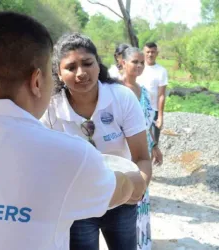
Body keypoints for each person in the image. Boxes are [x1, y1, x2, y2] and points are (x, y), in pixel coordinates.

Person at [0, 11, 145, 250]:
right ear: (37, 81)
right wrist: (134, 180)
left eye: (88, 64)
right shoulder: (69, 155)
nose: (81, 73)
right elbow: (126, 187)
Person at [41, 33, 152, 250]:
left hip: (121, 196)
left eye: (87, 63)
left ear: (98, 65)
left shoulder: (122, 98)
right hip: (77, 203)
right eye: (71, 67)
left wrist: (138, 186)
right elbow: (45, 165)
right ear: (58, 73)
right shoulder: (50, 109)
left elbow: (141, 158)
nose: (81, 73)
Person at [121, 46, 164, 250]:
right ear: (123, 63)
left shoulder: (144, 92)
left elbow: (150, 121)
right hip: (122, 153)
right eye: (134, 62)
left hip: (142, 154)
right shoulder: (116, 91)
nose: (138, 66)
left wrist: (155, 144)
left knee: (141, 196)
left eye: (141, 62)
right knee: (124, 198)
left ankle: (141, 243)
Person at [137, 42, 168, 143]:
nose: (150, 54)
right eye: (148, 52)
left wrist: (160, 116)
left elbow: (161, 95)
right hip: (136, 110)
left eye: (153, 52)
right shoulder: (137, 68)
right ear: (144, 53)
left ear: (157, 53)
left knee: (153, 142)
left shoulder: (161, 71)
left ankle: (154, 158)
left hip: (153, 112)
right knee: (138, 141)